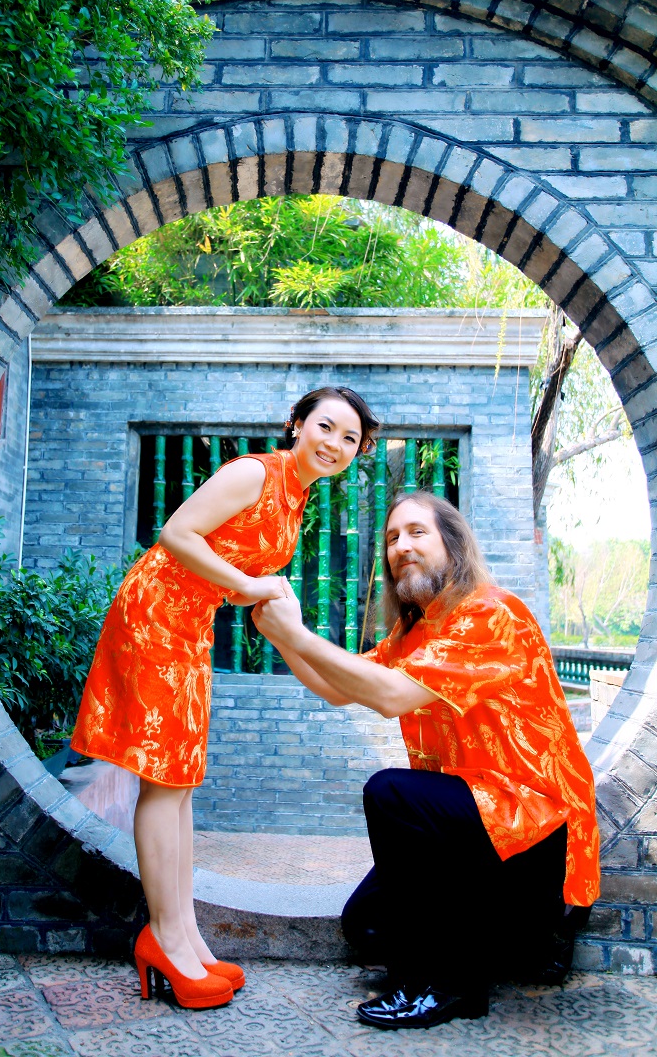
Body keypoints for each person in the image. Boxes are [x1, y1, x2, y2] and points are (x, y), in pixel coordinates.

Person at [71, 387, 379, 1010]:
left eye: (350, 439)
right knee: (164, 781)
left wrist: (255, 596)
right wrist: (248, 583)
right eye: (326, 427)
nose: (335, 445)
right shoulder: (252, 473)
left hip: (189, 624)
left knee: (179, 783)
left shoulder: (297, 496)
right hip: (156, 614)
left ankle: (187, 939)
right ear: (296, 425)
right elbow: (177, 533)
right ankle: (164, 940)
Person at [253, 490, 599, 1031]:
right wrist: (282, 637)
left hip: (533, 832)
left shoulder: (490, 613)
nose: (400, 547)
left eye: (417, 532)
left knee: (391, 793)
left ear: (453, 544)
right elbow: (340, 688)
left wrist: (296, 632)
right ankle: (510, 948)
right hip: (473, 832)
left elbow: (389, 695)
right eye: (392, 538)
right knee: (365, 926)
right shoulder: (412, 633)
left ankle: (444, 985)